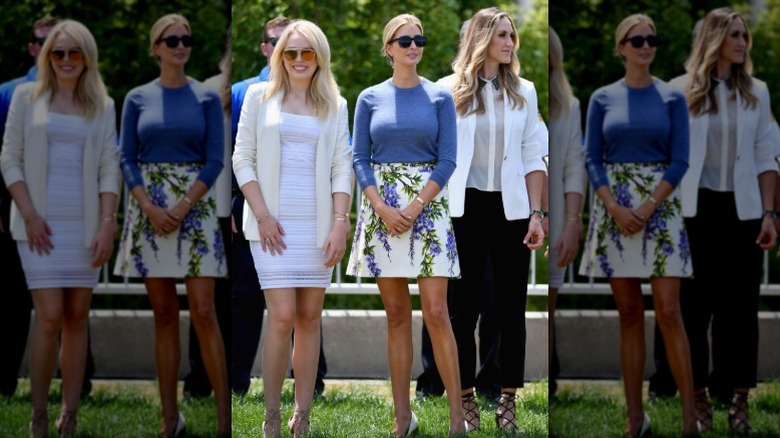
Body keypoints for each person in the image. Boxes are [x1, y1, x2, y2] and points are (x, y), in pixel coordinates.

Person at [577, 13, 698, 436]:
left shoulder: (672, 98)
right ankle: (634, 418)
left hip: (659, 209)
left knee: (668, 311)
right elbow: (591, 157)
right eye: (636, 39)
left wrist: (646, 206)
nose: (646, 45)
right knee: (628, 314)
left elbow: (681, 159)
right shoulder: (601, 98)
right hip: (615, 211)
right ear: (621, 48)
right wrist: (613, 206)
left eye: (652, 38)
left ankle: (689, 419)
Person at [347, 13, 466, 436]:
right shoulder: (368, 98)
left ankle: (457, 419)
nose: (413, 46)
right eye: (404, 40)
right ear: (388, 48)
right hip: (382, 211)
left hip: (426, 209)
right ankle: (402, 418)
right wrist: (380, 206)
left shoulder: (439, 98)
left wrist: (414, 207)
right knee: (396, 315)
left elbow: (448, 159)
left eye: (420, 39)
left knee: (437, 312)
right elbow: (360, 157)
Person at [0, 19, 120, 438]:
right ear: (46, 55)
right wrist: (29, 214)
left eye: (74, 52)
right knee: (48, 317)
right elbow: (9, 159)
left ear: (87, 56)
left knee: (76, 317)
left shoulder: (102, 105)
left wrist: (107, 224)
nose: (67, 60)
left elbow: (109, 167)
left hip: (86, 225)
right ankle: (38, 414)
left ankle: (69, 416)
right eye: (58, 52)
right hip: (39, 227)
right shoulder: (25, 98)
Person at [232, 19, 352, 437]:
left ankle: (302, 417)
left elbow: (342, 166)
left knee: (309, 316)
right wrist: (262, 215)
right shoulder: (257, 96)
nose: (299, 60)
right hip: (272, 226)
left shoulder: (336, 104)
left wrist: (340, 223)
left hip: (318, 225)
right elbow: (241, 159)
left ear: (319, 57)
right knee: (281, 316)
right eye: (290, 52)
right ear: (279, 55)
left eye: (307, 52)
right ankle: (271, 417)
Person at [113, 13, 229, 437]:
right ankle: (168, 418)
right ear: (156, 47)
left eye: (187, 39)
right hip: (149, 212)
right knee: (163, 314)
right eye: (171, 39)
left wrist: (181, 206)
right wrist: (148, 205)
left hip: (193, 210)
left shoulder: (205, 97)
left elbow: (216, 158)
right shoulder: (136, 98)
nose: (181, 45)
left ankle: (222, 418)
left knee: (203, 312)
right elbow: (126, 157)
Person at [436, 7, 545, 433]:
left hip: (512, 209)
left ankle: (507, 401)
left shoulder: (525, 90)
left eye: (511, 35)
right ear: (481, 38)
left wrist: (538, 213)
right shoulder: (446, 90)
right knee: (462, 310)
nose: (509, 42)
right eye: (501, 34)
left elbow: (534, 154)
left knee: (509, 307)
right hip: (463, 209)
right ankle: (464, 401)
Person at [668, 7, 777, 433]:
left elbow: (766, 155)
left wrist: (770, 213)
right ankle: (697, 405)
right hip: (694, 213)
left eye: (743, 35)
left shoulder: (758, 91)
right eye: (733, 34)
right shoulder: (679, 91)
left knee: (740, 313)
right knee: (694, 313)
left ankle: (738, 403)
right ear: (714, 39)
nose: (741, 42)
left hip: (744, 212)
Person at [415, 17, 502, 405]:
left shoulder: (511, 90)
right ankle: (433, 379)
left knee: (492, 295)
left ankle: (491, 380)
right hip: (448, 205)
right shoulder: (442, 90)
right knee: (441, 299)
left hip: (497, 204)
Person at [183, 24, 232, 400]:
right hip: (205, 207)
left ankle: (227, 379)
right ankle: (199, 381)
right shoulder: (205, 91)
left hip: (235, 208)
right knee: (203, 303)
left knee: (232, 300)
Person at [546, 25, 585, 399]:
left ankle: (551, 382)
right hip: (516, 210)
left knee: (551, 306)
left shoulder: (570, 107)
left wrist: (574, 223)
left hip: (557, 217)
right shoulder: (521, 93)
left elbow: (575, 165)